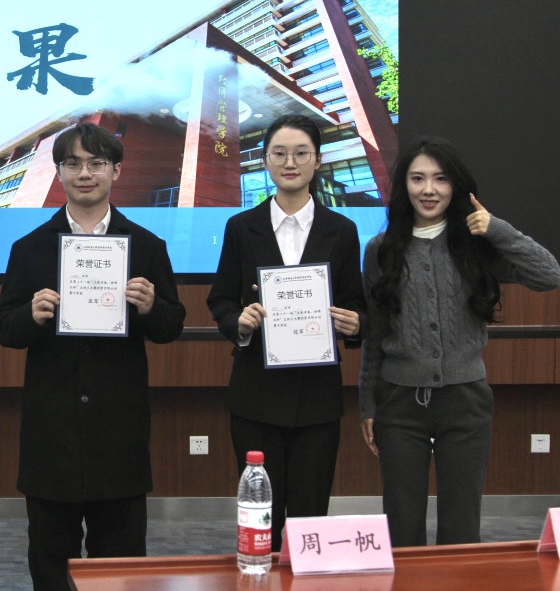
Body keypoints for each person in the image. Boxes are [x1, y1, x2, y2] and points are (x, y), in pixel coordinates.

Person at [0, 122, 186, 591]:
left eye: (96, 163)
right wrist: (30, 315)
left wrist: (150, 306)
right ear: (59, 172)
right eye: (73, 164)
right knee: (50, 565)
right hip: (51, 435)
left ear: (116, 171)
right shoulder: (30, 248)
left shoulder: (146, 246)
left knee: (120, 569)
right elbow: (4, 328)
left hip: (118, 434)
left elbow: (171, 326)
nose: (85, 174)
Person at [359, 136, 560, 546]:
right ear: (404, 186)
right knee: (401, 528)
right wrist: (368, 404)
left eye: (440, 179)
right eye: (417, 178)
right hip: (399, 403)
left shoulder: (478, 244)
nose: (428, 189)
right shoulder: (381, 250)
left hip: (466, 401)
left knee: (462, 529)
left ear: (456, 186)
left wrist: (497, 229)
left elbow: (549, 275)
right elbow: (375, 333)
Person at [206, 114, 366, 553]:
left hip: (317, 395)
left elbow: (358, 303)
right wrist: (238, 323)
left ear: (318, 160)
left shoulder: (342, 230)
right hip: (256, 394)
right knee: (260, 518)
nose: (289, 163)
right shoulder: (241, 227)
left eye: (300, 153)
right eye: (279, 153)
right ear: (265, 161)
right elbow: (221, 299)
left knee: (310, 518)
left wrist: (356, 324)